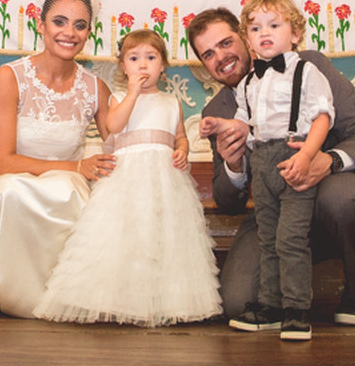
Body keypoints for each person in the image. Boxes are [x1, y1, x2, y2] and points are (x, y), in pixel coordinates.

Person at [189, 6, 355, 327]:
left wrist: (328, 161)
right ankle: (292, 269)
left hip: (334, 191)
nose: (221, 57)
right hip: (275, 208)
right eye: (208, 54)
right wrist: (234, 165)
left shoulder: (309, 66)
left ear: (245, 38)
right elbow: (227, 203)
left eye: (225, 43)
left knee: (342, 199)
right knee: (236, 301)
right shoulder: (218, 110)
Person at [0, 0, 116, 318]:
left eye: (80, 25)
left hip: (67, 186)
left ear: (88, 33)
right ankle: (11, 291)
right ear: (41, 25)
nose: (69, 32)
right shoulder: (11, 77)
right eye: (59, 22)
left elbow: (120, 143)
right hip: (12, 180)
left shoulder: (96, 88)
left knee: (70, 191)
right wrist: (77, 167)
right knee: (9, 190)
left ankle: (63, 294)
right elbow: (4, 162)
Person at [34, 30, 221, 326]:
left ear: (163, 65)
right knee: (122, 236)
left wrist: (183, 150)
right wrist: (132, 94)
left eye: (151, 58)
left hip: (164, 182)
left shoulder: (171, 102)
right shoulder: (119, 98)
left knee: (163, 237)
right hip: (126, 181)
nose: (143, 65)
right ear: (123, 67)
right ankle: (116, 299)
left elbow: (180, 136)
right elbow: (114, 126)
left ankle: (164, 300)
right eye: (134, 59)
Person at [201, 0, 334, 341]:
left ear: (295, 33)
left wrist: (307, 155)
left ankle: (296, 309)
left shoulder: (307, 71)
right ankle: (271, 306)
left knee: (290, 239)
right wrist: (220, 127)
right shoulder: (249, 84)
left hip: (293, 160)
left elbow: (322, 116)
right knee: (269, 240)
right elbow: (244, 124)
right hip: (261, 167)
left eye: (274, 26)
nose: (265, 34)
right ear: (249, 37)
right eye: (256, 28)